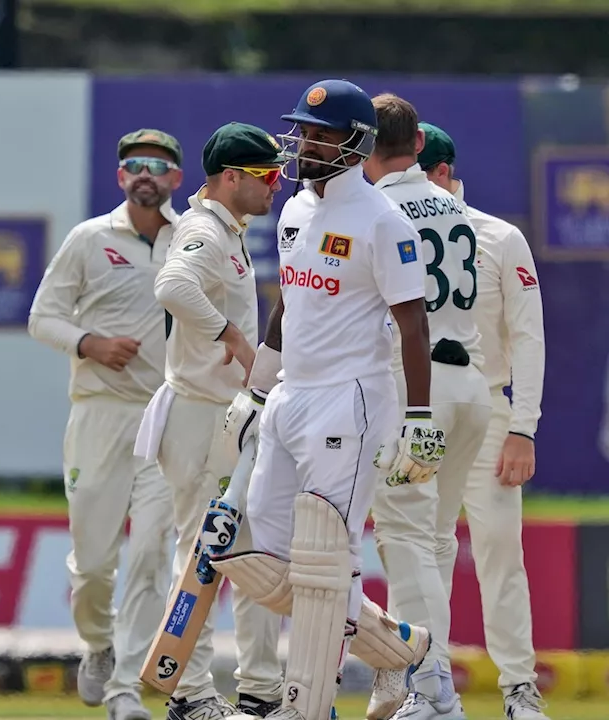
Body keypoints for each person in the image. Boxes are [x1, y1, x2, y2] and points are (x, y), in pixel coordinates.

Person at [211, 79, 442, 720]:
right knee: (267, 558)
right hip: (291, 395)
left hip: (352, 400)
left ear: (354, 142)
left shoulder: (382, 220)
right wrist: (260, 386)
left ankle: (306, 705)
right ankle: (402, 649)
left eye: (318, 134)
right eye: (302, 130)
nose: (304, 142)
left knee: (321, 562)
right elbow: (288, 305)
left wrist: (421, 420)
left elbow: (413, 325)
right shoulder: (292, 211)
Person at [134, 122, 288, 720]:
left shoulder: (227, 229)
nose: (276, 186)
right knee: (201, 554)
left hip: (225, 416)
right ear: (231, 178)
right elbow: (171, 285)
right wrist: (231, 336)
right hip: (200, 416)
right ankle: (191, 693)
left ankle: (259, 690)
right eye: (266, 175)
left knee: (248, 554)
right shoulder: (202, 229)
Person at [28, 128, 179, 720]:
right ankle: (97, 644)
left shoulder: (189, 240)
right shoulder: (90, 239)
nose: (146, 174)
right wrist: (89, 343)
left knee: (150, 556)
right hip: (100, 413)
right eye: (135, 165)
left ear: (176, 179)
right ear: (121, 177)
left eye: (158, 166)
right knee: (93, 565)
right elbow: (43, 317)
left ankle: (124, 691)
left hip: (166, 418)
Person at [362, 95, 492, 720]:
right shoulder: (455, 205)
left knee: (406, 536)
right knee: (434, 539)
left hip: (417, 390)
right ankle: (431, 685)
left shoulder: (374, 207)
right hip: (470, 389)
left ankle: (433, 686)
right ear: (419, 146)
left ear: (363, 145)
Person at [418, 122, 550, 720]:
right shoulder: (390, 228)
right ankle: (430, 684)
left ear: (441, 173)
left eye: (414, 172)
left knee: (498, 546)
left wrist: (524, 426)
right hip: (418, 405)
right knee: (424, 547)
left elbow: (528, 336)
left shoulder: (499, 237)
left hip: (488, 406)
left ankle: (519, 688)